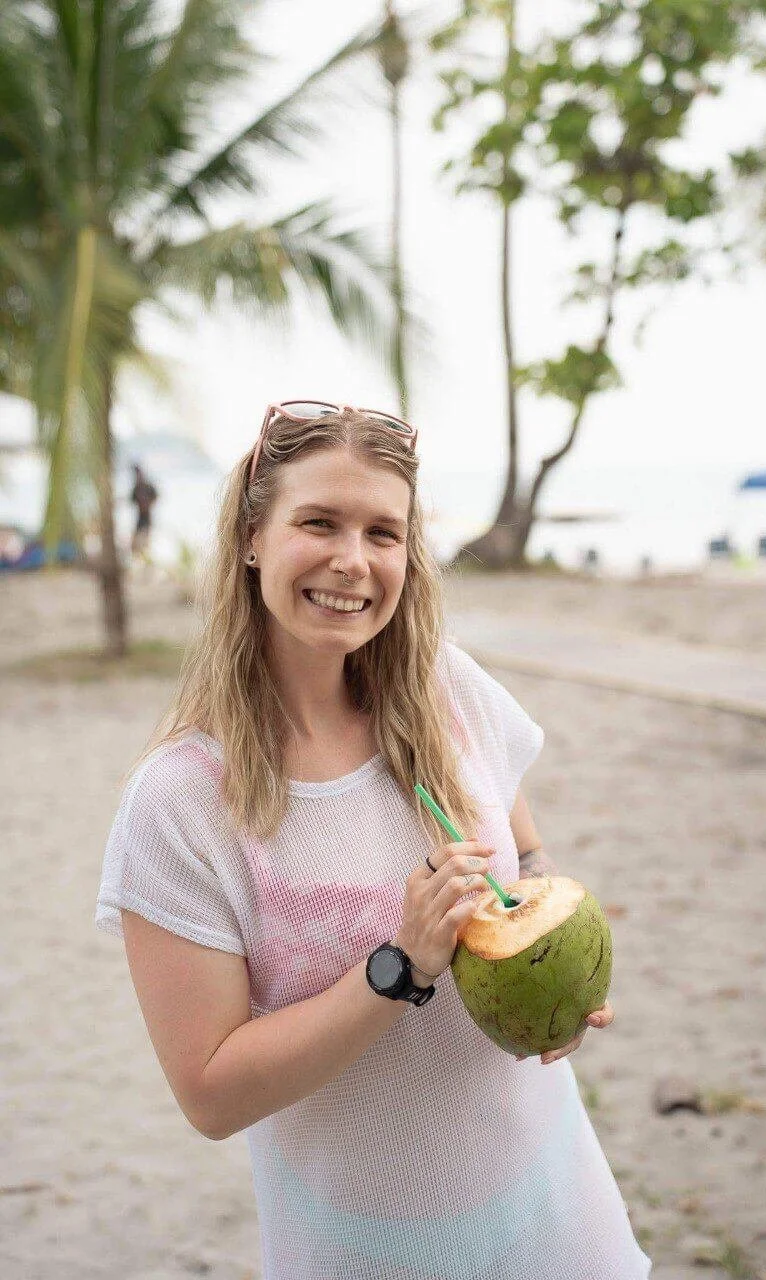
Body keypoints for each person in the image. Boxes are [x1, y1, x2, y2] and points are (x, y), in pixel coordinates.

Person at [95, 401, 651, 1280]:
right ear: (250, 537)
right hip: (363, 1251)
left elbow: (530, 859)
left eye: (382, 532)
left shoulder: (446, 693)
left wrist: (556, 969)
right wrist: (400, 965)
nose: (352, 561)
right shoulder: (179, 804)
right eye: (318, 522)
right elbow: (209, 1091)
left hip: (562, 1224)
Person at [130, 462, 159, 562]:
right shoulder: (136, 488)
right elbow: (132, 501)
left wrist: (148, 504)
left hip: (147, 518)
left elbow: (156, 497)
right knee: (135, 544)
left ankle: (145, 561)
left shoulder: (148, 486)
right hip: (139, 518)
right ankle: (140, 561)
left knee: (145, 542)